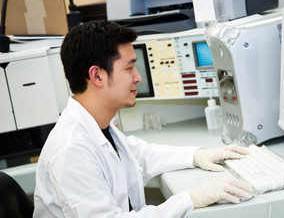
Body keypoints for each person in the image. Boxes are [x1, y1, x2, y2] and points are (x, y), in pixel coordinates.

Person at [33, 20, 253, 218]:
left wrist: (197, 155)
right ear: (97, 75)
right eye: (129, 68)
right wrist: (190, 199)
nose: (138, 77)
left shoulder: (98, 127)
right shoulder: (71, 149)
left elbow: (140, 156)